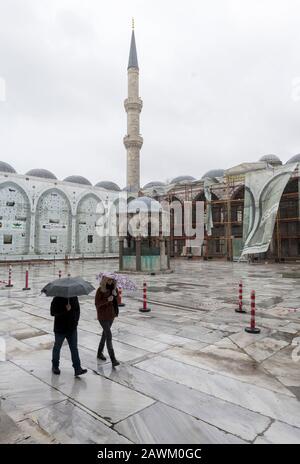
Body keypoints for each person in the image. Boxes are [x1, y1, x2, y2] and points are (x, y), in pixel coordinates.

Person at [50, 296, 87, 377]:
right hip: (60, 328)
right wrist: (65, 310)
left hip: (72, 328)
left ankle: (77, 368)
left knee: (74, 348)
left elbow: (77, 311)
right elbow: (52, 312)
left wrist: (75, 322)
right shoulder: (57, 298)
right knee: (57, 347)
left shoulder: (74, 297)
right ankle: (55, 366)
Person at [95, 276, 120, 367]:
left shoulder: (114, 289)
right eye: (108, 280)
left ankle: (99, 353)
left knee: (105, 335)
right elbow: (97, 304)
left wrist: (116, 295)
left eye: (112, 280)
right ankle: (113, 359)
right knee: (108, 335)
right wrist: (107, 300)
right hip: (102, 316)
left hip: (111, 315)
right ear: (105, 281)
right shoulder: (100, 290)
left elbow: (117, 302)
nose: (110, 281)